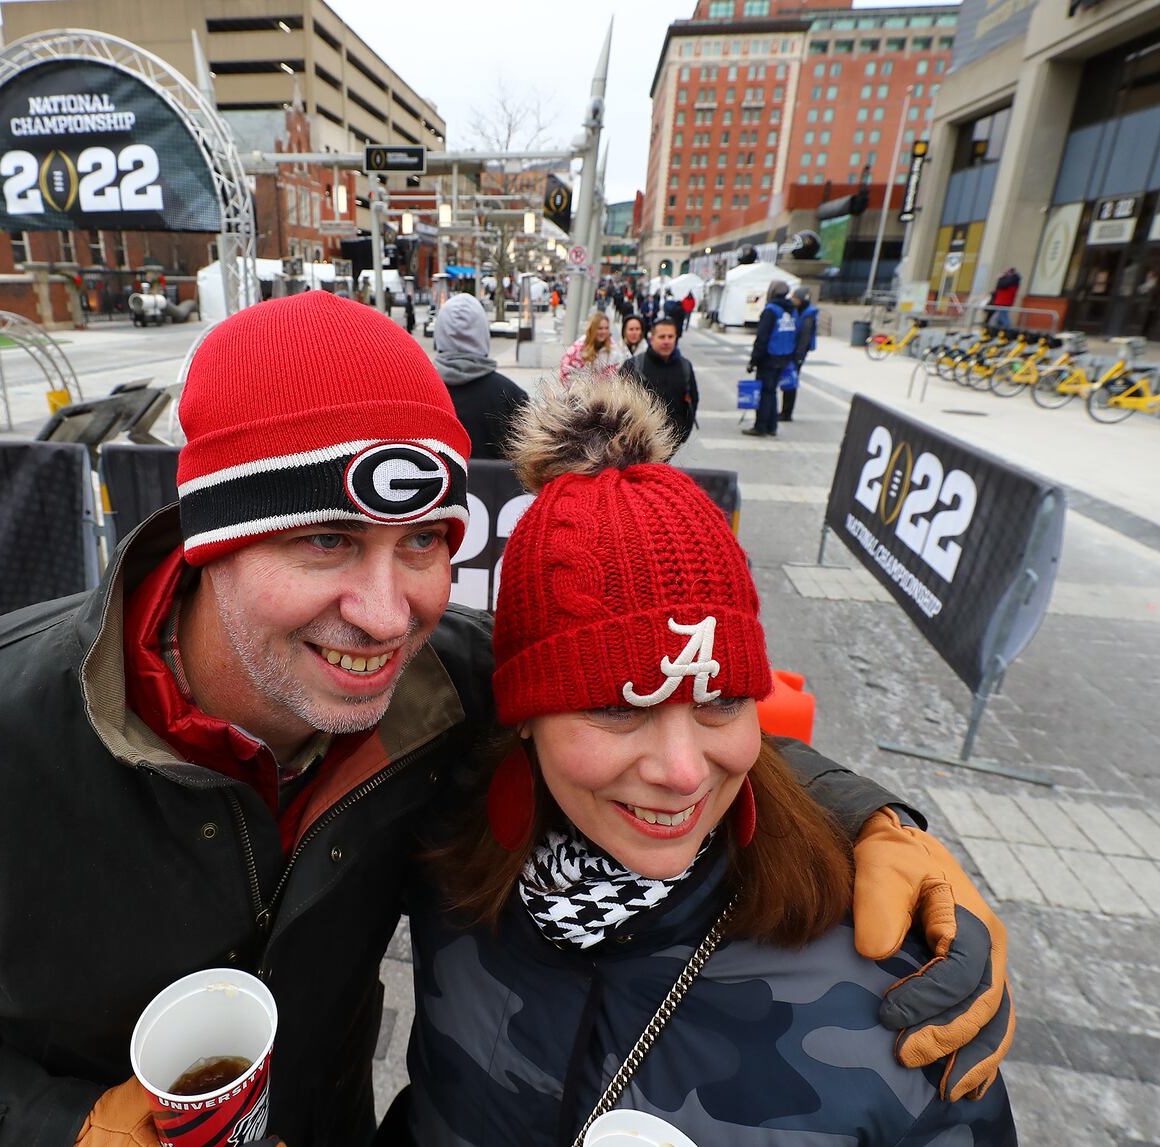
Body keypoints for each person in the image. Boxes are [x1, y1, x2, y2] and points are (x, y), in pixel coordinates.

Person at [0, 293, 1014, 1147]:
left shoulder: (439, 686)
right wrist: (53, 1132)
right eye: (327, 539)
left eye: (423, 545)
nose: (383, 607)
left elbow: (644, 701)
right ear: (207, 543)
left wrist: (874, 818)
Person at [389, 373, 1016, 1147]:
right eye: (618, 706)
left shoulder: (899, 992)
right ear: (520, 715)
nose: (683, 771)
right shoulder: (443, 849)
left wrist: (876, 817)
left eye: (721, 700)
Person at [432, 293, 528, 460]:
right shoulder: (511, 396)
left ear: (439, 334)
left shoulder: (421, 392)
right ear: (483, 334)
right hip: (496, 486)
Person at [623, 316, 698, 451]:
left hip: (671, 443)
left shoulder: (685, 366)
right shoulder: (633, 365)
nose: (666, 341)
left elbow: (693, 400)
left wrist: (683, 435)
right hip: (636, 444)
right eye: (662, 337)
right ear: (652, 339)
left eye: (670, 337)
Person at [744, 280, 798, 438]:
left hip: (768, 358)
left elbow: (762, 338)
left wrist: (754, 360)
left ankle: (760, 426)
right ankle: (772, 426)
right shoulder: (791, 310)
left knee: (764, 393)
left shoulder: (771, 310)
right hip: (784, 356)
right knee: (772, 392)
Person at [784, 286, 819, 423]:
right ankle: (785, 410)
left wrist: (798, 356)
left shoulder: (808, 315)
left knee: (791, 381)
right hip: (793, 350)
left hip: (798, 353)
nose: (793, 300)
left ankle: (787, 412)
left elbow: (805, 337)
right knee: (788, 380)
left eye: (795, 298)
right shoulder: (798, 310)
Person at [559, 312, 625, 382]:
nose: (604, 331)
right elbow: (565, 371)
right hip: (581, 390)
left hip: (605, 390)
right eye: (600, 328)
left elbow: (618, 370)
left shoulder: (613, 348)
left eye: (606, 328)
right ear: (592, 329)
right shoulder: (578, 348)